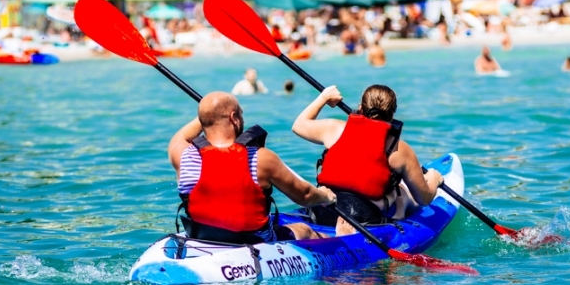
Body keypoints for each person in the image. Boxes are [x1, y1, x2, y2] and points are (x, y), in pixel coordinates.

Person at [169, 92, 336, 243]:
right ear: (233, 118)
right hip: (253, 241)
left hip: (202, 238)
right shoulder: (261, 158)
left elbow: (179, 137)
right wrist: (326, 196)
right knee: (304, 230)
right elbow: (305, 195)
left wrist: (208, 114)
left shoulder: (182, 156)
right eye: (240, 114)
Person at [292, 85, 444, 236]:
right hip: (361, 220)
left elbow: (298, 126)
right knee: (401, 193)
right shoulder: (400, 149)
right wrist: (434, 180)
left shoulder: (333, 128)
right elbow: (424, 198)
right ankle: (399, 214)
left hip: (321, 210)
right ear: (392, 115)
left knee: (397, 193)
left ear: (360, 107)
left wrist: (324, 97)